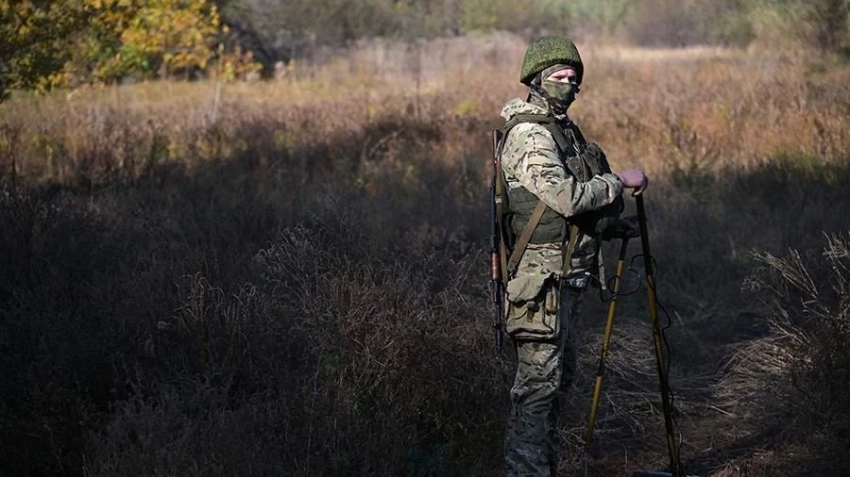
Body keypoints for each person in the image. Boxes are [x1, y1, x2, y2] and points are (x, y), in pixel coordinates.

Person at [496, 36, 648, 476]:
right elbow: (565, 197)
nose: (567, 83)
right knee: (537, 393)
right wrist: (619, 181)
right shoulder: (530, 135)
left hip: (564, 280)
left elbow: (565, 212)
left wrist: (609, 226)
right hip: (540, 285)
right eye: (558, 76)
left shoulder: (563, 131)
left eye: (573, 77)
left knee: (557, 387)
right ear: (536, 80)